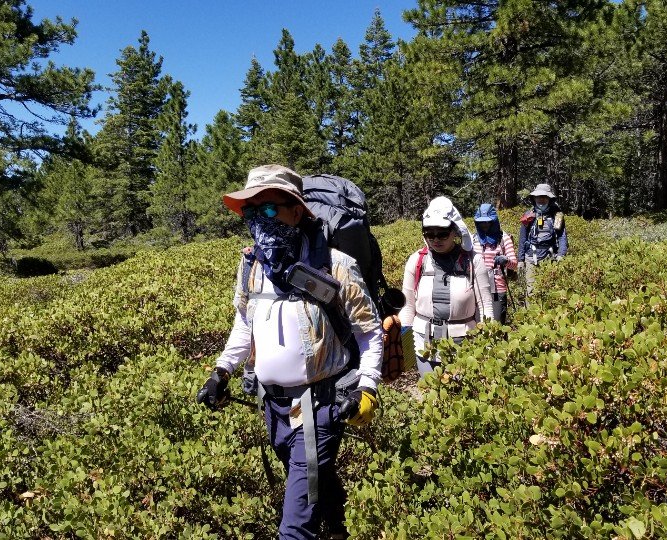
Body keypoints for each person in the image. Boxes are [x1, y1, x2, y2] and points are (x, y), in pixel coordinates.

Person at [196, 164, 383, 540]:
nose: (259, 220)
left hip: (318, 407)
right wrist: (221, 371)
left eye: (269, 209)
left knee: (295, 525)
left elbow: (369, 333)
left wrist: (367, 387)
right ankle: (339, 528)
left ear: (297, 212)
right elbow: (244, 325)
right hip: (273, 408)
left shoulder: (336, 266)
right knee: (316, 483)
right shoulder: (251, 265)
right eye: (251, 211)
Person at [398, 196, 494, 378]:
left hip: (465, 343)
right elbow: (408, 306)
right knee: (430, 392)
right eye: (429, 234)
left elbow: (485, 306)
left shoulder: (473, 261)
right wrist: (403, 344)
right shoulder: (416, 260)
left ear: (455, 231)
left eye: (442, 234)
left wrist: (487, 344)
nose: (435, 239)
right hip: (423, 343)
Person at [517, 183, 567, 297]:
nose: (541, 199)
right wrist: (520, 259)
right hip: (531, 258)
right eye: (538, 197)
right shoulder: (528, 215)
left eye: (544, 197)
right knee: (531, 292)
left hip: (550, 258)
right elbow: (522, 237)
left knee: (550, 291)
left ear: (549, 198)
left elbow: (562, 236)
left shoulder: (557, 215)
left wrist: (561, 254)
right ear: (534, 198)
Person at [472, 203, 518, 324]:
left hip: (497, 289)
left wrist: (506, 260)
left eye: (487, 222)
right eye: (481, 222)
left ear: (494, 221)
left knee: (497, 325)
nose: (484, 225)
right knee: (478, 325)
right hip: (477, 288)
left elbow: (514, 264)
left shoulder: (504, 238)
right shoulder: (473, 239)